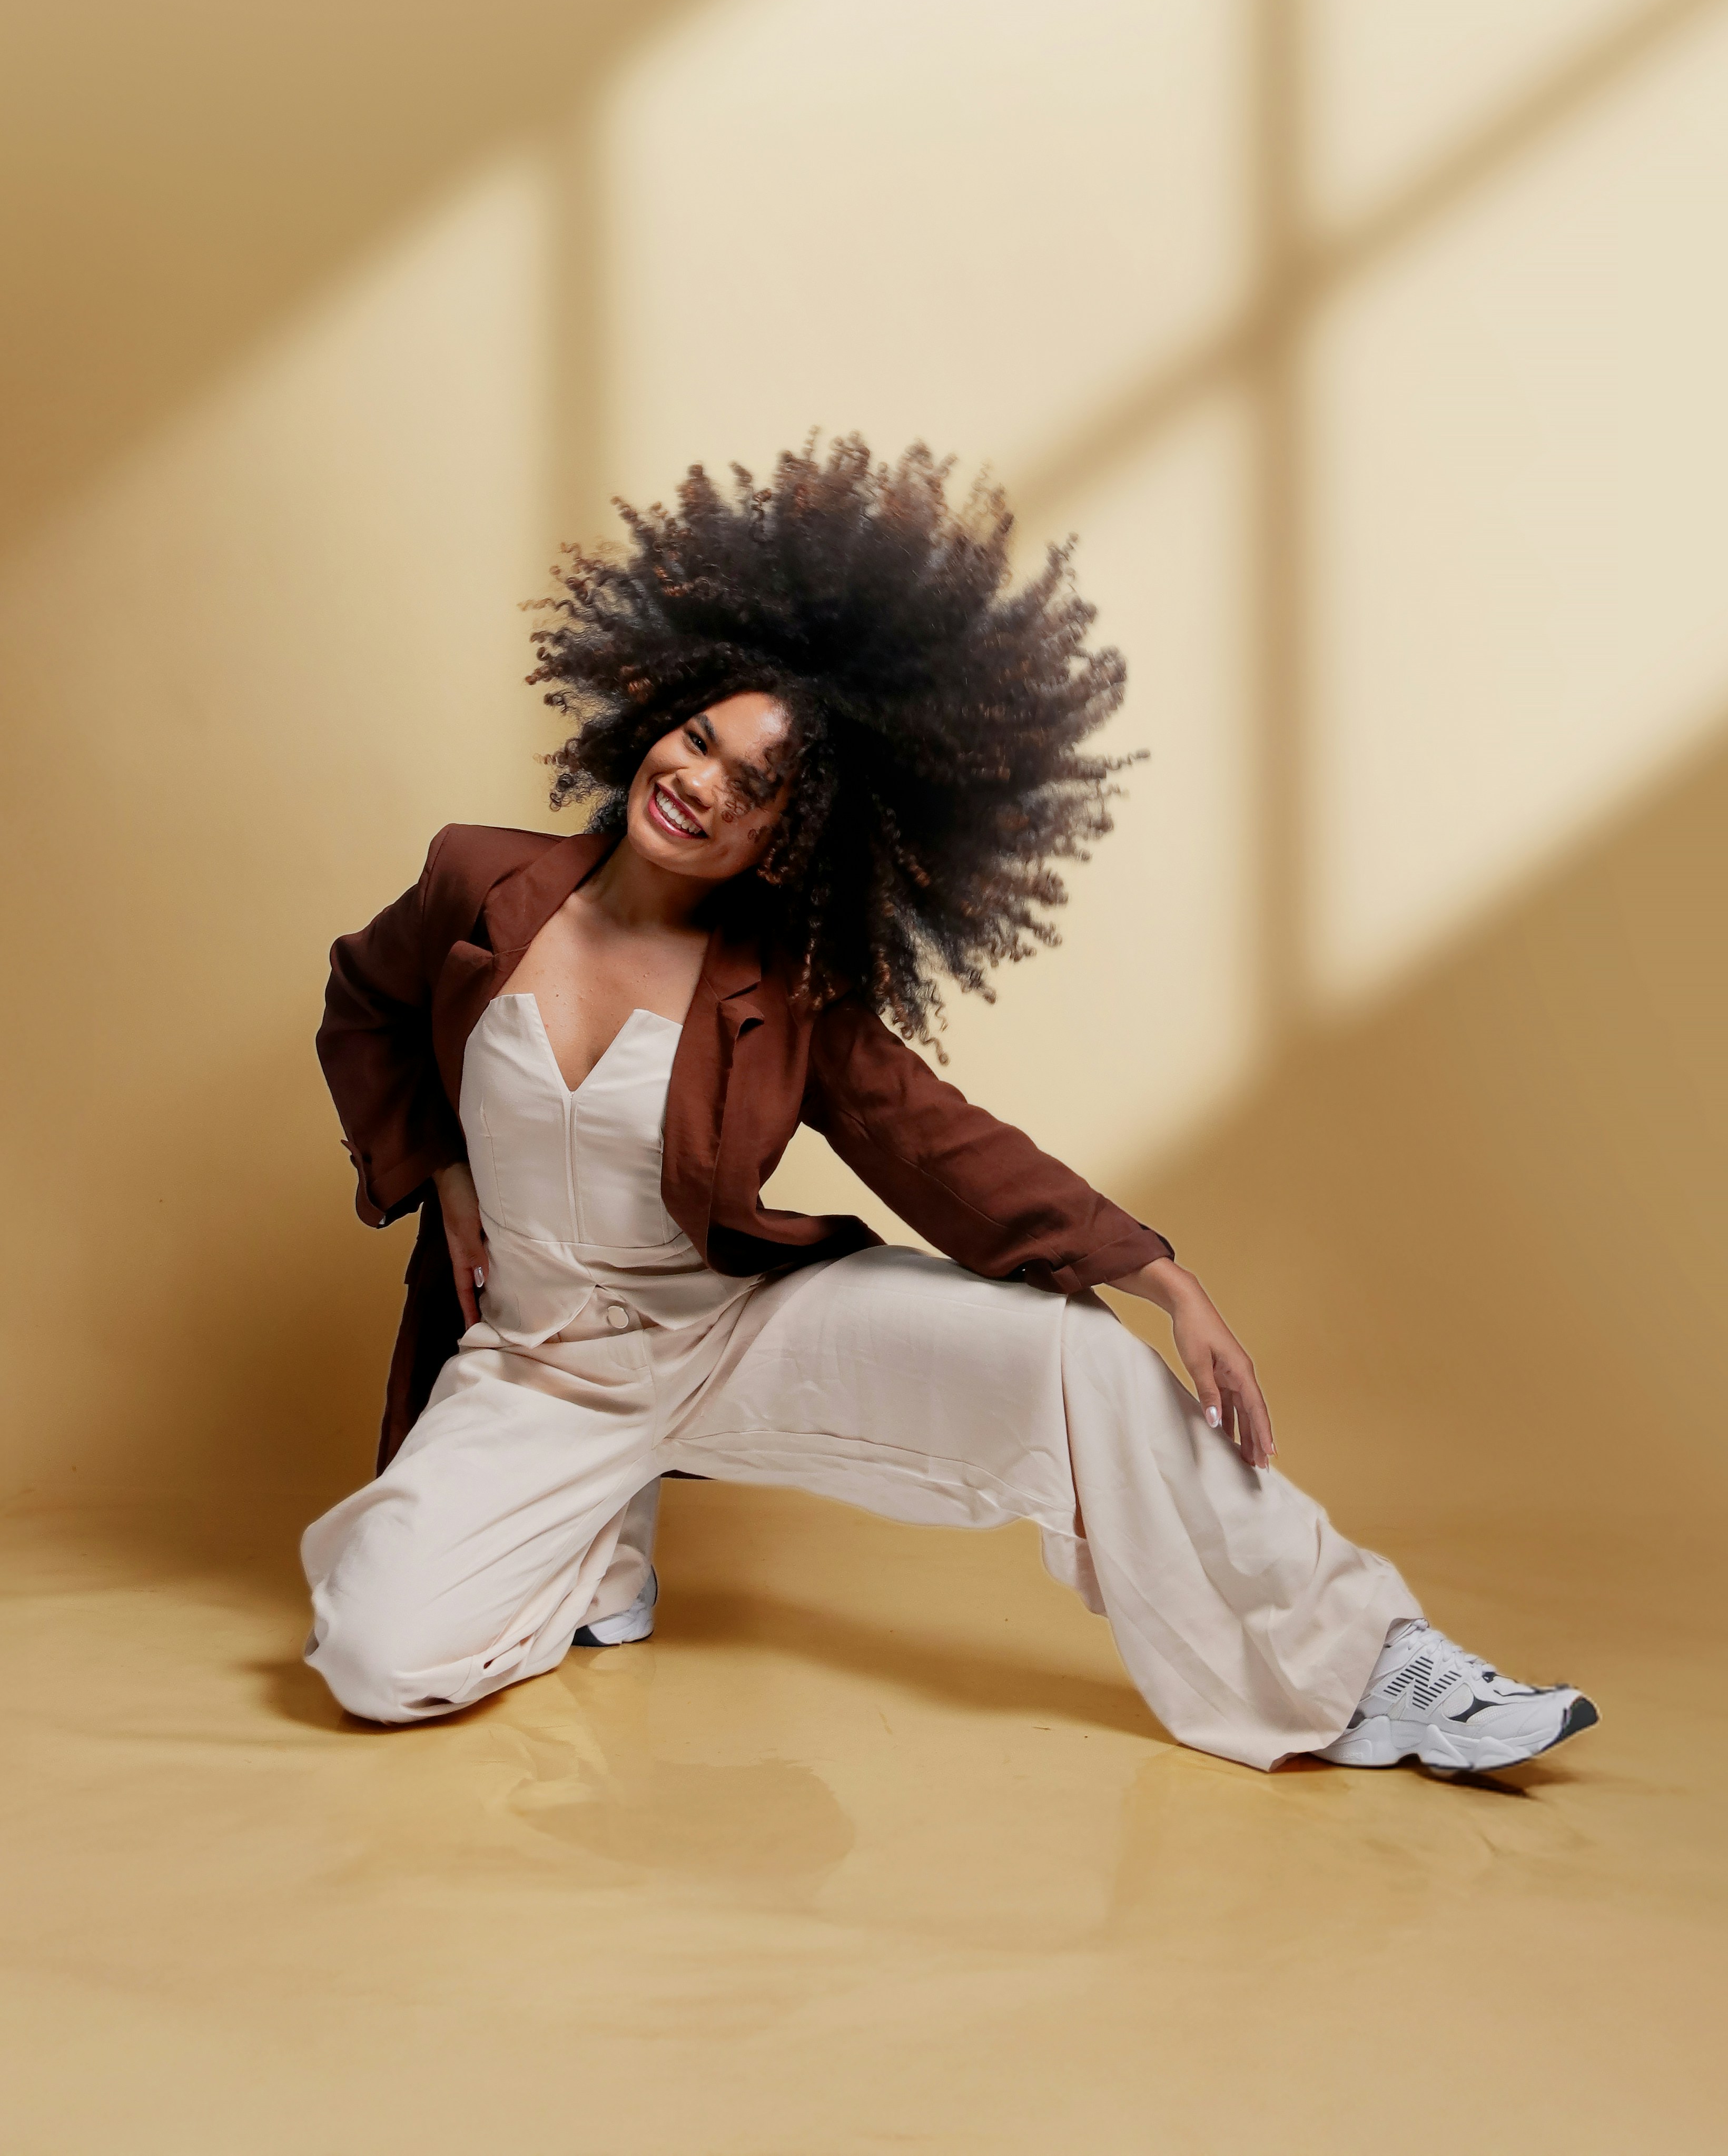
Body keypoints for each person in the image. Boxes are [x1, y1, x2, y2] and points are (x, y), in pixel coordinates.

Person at [303, 439, 1597, 1775]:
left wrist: (1161, 1277)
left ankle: (1379, 1659)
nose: (702, 786)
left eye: (756, 789)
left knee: (1077, 1355)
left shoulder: (783, 987)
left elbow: (936, 1142)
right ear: (656, 715)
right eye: (700, 739)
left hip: (731, 1334)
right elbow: (367, 1000)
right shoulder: (482, 883)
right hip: (537, 1367)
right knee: (375, 1659)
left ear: (788, 842)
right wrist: (442, 1170)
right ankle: (591, 1528)